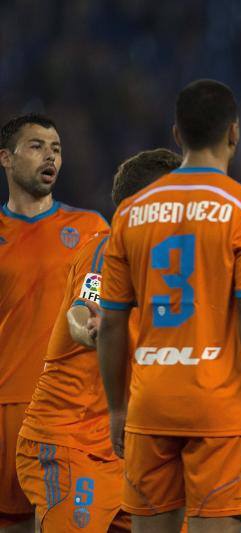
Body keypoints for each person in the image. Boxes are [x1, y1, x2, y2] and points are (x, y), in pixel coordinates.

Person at [97, 79, 241, 533]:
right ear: (234, 133)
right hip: (221, 411)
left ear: (176, 134)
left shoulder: (130, 213)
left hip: (150, 404)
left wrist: (117, 408)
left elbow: (112, 322)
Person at [15, 148, 182, 533]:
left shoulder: (174, 267)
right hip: (71, 441)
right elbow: (84, 312)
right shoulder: (109, 250)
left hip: (132, 448)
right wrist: (89, 330)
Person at [0, 113, 109, 532]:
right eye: (37, 146)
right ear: (6, 159)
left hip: (73, 417)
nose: (51, 155)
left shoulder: (91, 229)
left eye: (57, 148)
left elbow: (95, 298)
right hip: (7, 406)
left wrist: (90, 322)